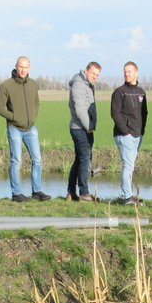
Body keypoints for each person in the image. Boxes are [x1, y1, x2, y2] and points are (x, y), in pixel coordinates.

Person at [0, 56, 51, 202]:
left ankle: (37, 191)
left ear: (29, 68)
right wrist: (13, 117)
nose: (23, 70)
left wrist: (32, 117)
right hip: (15, 128)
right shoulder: (6, 85)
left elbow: (36, 103)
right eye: (20, 67)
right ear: (16, 66)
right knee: (16, 161)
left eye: (26, 67)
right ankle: (16, 193)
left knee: (37, 160)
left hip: (31, 128)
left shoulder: (33, 84)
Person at [110, 61, 147, 205]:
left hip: (138, 135)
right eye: (125, 71)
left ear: (136, 73)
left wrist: (141, 131)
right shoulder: (119, 92)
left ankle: (129, 195)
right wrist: (126, 132)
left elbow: (145, 113)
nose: (127, 73)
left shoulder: (141, 92)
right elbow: (115, 113)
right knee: (128, 165)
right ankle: (127, 197)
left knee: (130, 165)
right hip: (124, 134)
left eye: (129, 71)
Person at [67, 62, 101, 201]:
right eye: (93, 73)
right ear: (86, 71)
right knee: (85, 159)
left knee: (79, 160)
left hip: (83, 128)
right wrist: (89, 127)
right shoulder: (79, 84)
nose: (95, 77)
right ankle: (84, 193)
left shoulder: (86, 84)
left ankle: (71, 192)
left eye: (97, 75)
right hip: (80, 128)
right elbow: (80, 109)